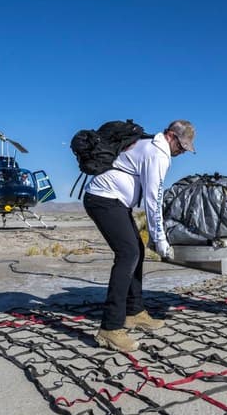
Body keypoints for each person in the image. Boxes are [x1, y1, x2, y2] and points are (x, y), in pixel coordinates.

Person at [84, 120, 196, 352]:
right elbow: (153, 200)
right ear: (171, 137)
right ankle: (110, 328)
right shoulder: (158, 153)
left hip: (114, 201)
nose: (182, 153)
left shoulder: (149, 146)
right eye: (182, 147)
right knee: (127, 254)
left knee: (137, 250)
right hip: (103, 199)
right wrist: (161, 239)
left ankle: (133, 312)